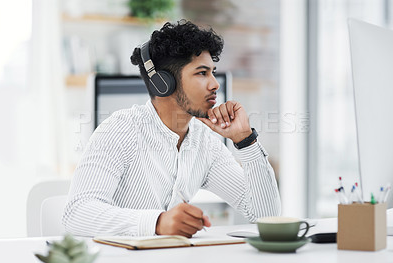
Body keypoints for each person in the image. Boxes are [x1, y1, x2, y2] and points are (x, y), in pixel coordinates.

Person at [63, 19, 281, 238]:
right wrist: (157, 223)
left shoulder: (205, 142)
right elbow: (77, 214)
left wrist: (245, 140)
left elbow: (265, 214)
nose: (215, 84)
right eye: (202, 73)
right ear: (163, 83)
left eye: (213, 72)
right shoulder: (120, 132)